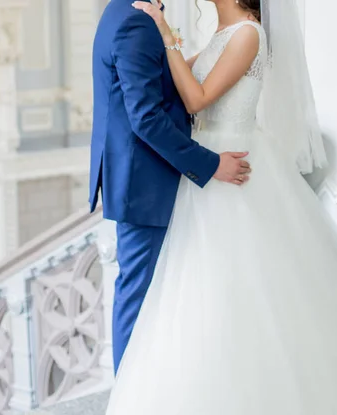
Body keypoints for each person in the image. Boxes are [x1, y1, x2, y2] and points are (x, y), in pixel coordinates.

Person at [105, 0, 337, 413]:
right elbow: (178, 82)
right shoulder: (222, 34)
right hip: (204, 168)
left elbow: (195, 99)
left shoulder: (248, 34)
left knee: (242, 288)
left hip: (232, 168)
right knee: (201, 292)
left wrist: (165, 33)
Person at [89, 0, 253, 373]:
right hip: (144, 181)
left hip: (144, 176)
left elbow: (159, 86)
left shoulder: (126, 11)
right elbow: (146, 118)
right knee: (140, 297)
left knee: (156, 294)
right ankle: (128, 397)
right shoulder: (135, 21)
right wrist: (211, 165)